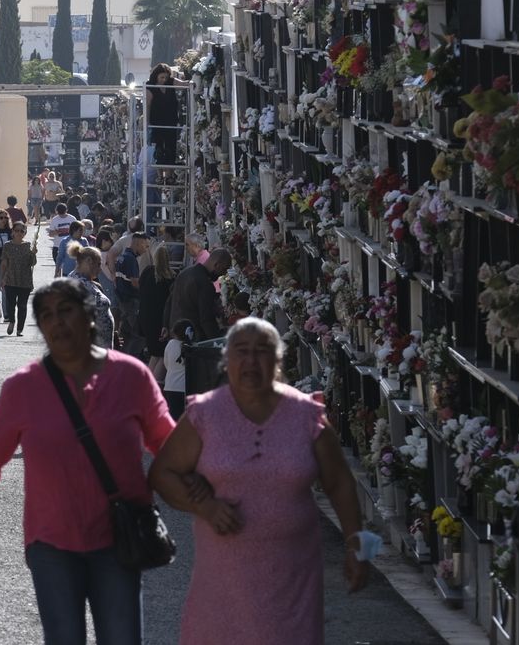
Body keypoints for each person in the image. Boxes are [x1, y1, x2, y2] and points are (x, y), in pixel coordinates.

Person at [0, 278, 177, 645]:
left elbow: (170, 446)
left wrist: (215, 497)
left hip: (118, 539)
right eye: (46, 315)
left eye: (66, 311)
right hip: (52, 544)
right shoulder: (24, 388)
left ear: (89, 316)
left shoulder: (131, 377)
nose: (57, 321)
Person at [149, 319, 371, 645]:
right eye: (242, 351)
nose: (251, 361)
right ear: (227, 360)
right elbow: (162, 474)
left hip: (292, 581)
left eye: (262, 352)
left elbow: (339, 482)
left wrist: (357, 545)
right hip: (223, 582)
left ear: (278, 360)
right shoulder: (205, 415)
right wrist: (206, 506)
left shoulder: (306, 415)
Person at [164, 251, 232, 343]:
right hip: (192, 336)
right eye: (224, 269)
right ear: (217, 265)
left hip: (176, 332)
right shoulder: (205, 284)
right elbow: (206, 319)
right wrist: (217, 342)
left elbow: (169, 301)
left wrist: (165, 325)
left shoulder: (185, 273)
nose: (224, 273)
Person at [68, 243, 116, 353]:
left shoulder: (86, 282)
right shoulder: (78, 285)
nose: (100, 269)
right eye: (98, 264)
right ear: (89, 261)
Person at [138, 244, 178, 369]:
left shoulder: (147, 272)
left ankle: (149, 377)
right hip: (161, 320)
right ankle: (152, 378)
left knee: (155, 353)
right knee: (160, 354)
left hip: (146, 317)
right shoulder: (171, 276)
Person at [113, 232, 149, 356]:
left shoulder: (123, 257)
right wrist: (145, 293)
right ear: (138, 243)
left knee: (126, 333)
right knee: (140, 334)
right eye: (145, 246)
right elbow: (135, 282)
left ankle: (121, 357)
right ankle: (133, 359)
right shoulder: (131, 259)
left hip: (123, 300)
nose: (146, 250)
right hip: (131, 301)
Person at [0, 222, 37, 336]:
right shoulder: (7, 245)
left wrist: (33, 253)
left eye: (22, 231)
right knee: (10, 304)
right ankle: (11, 321)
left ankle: (20, 329)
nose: (19, 233)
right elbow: (4, 262)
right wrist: (2, 278)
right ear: (13, 232)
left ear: (25, 233)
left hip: (25, 280)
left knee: (22, 305)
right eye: (17, 230)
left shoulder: (28, 245)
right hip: (11, 278)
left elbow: (32, 263)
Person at [147, 63, 182, 167]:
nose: (164, 80)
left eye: (166, 77)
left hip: (171, 122)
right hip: (157, 123)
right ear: (156, 76)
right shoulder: (150, 86)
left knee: (171, 149)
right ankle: (160, 173)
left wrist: (191, 82)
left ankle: (169, 173)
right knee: (159, 150)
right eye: (161, 77)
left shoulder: (170, 82)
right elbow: (148, 106)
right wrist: (147, 123)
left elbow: (183, 84)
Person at [161, 319, 194, 417]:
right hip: (184, 388)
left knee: (173, 417)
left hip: (170, 386)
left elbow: (166, 363)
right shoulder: (192, 348)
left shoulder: (170, 344)